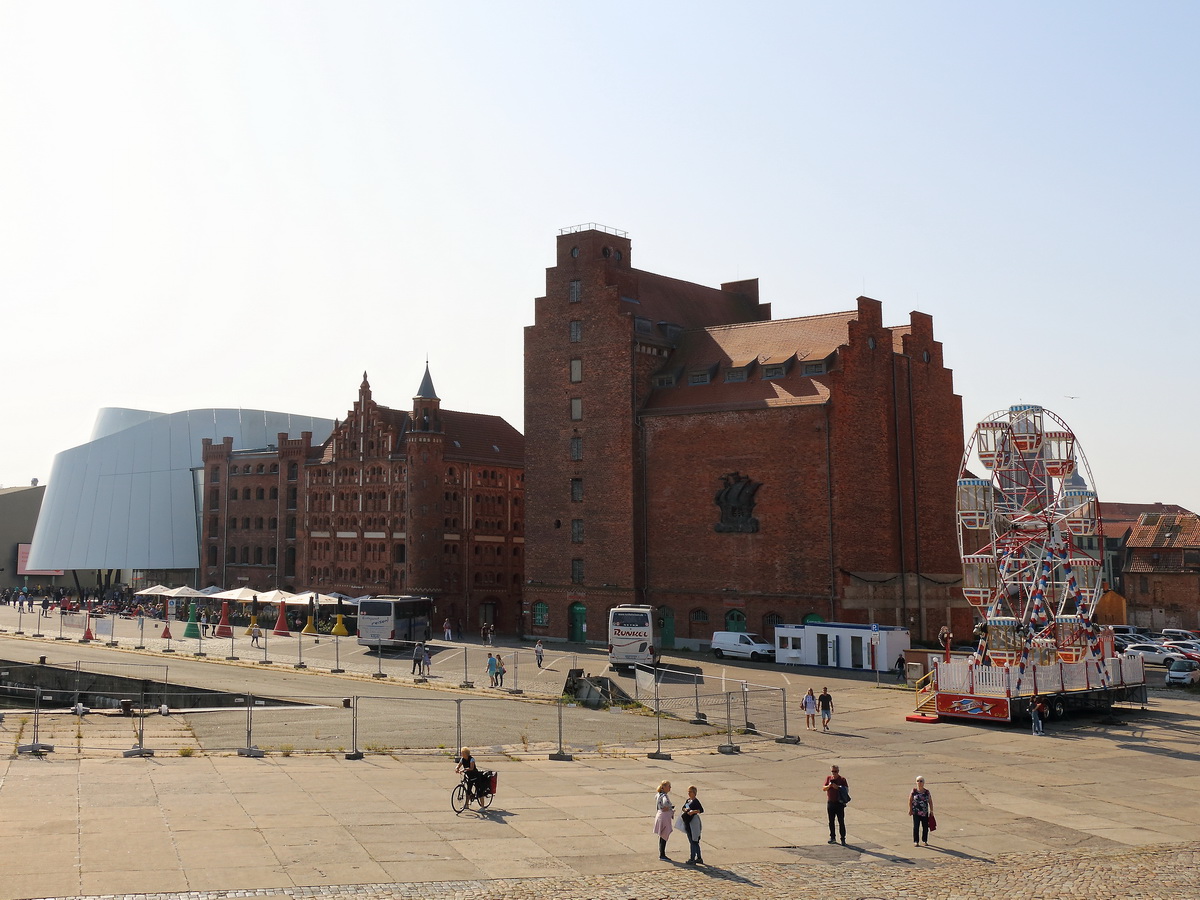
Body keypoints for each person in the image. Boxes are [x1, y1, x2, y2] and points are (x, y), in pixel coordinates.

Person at [823, 764, 848, 845]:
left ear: (838, 771)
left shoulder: (842, 779)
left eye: (835, 771)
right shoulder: (828, 778)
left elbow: (846, 790)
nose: (834, 773)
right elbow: (824, 788)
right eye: (832, 771)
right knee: (831, 821)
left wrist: (838, 787)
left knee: (841, 821)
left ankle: (843, 838)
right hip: (831, 802)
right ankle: (832, 837)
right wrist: (829, 786)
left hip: (839, 803)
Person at [682, 785, 705, 865]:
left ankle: (692, 858)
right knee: (693, 841)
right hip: (688, 822)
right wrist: (686, 809)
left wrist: (693, 811)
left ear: (694, 793)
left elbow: (701, 810)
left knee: (694, 841)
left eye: (690, 792)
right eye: (688, 792)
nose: (688, 793)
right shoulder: (688, 801)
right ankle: (698, 857)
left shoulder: (695, 801)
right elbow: (683, 807)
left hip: (693, 822)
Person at [652, 780, 674, 860]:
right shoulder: (664, 796)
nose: (670, 788)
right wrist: (669, 807)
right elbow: (665, 803)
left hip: (659, 814)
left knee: (662, 835)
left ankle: (661, 852)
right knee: (664, 835)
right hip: (664, 816)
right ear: (664, 787)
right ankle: (662, 854)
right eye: (668, 786)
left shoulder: (658, 794)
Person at [909, 775, 933, 846]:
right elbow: (910, 800)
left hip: (924, 812)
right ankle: (916, 841)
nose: (919, 782)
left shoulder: (926, 792)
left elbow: (930, 801)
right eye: (918, 781)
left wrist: (931, 811)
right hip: (916, 812)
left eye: (921, 781)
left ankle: (924, 840)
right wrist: (910, 809)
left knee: (925, 827)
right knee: (916, 827)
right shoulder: (914, 791)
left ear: (923, 783)